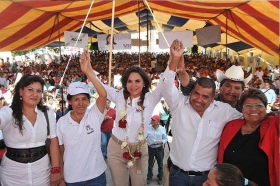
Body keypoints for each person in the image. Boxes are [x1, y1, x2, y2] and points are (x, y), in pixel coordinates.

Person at [161, 40, 242, 186]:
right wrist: (174, 60)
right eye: (196, 94)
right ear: (191, 92)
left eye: (205, 97)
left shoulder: (225, 111)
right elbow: (166, 84)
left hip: (206, 180)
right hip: (178, 176)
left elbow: (249, 119)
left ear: (213, 98)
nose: (199, 99)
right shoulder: (179, 104)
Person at [93, 64, 162, 185]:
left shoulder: (150, 99)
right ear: (125, 83)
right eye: (129, 81)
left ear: (144, 83)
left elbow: (165, 83)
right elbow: (101, 87)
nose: (133, 85)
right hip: (116, 149)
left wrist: (174, 59)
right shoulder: (119, 96)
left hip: (139, 150)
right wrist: (88, 70)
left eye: (137, 81)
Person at [56, 49, 107, 186]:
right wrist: (60, 178)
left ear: (89, 101)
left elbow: (103, 95)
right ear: (69, 102)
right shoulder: (62, 123)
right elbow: (60, 153)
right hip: (72, 179)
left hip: (97, 176)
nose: (80, 103)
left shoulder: (94, 116)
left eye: (84, 99)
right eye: (76, 99)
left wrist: (88, 71)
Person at [0, 74, 61, 186]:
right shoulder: (9, 112)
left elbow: (53, 141)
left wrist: (56, 170)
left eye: (39, 91)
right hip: (12, 177)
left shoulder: (47, 112)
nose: (35, 94)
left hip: (42, 174)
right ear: (20, 91)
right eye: (30, 90)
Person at [218, 88, 279, 186]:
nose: (253, 109)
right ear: (241, 108)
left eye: (259, 105)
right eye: (248, 105)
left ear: (265, 108)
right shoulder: (231, 126)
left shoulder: (273, 125)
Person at [180, 65, 252, 112]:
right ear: (220, 86)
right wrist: (182, 72)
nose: (232, 91)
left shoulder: (245, 108)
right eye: (228, 86)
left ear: (242, 90)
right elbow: (190, 86)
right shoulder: (209, 100)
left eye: (237, 88)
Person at [146, 115, 167, 185]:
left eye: (154, 120)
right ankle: (149, 177)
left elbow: (165, 139)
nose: (152, 121)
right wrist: (146, 141)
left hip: (159, 148)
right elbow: (144, 136)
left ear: (158, 121)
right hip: (150, 148)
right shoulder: (148, 128)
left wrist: (161, 142)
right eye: (152, 119)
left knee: (160, 164)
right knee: (150, 164)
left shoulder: (162, 129)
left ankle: (160, 177)